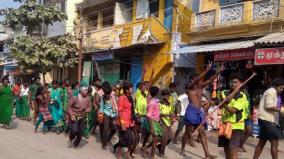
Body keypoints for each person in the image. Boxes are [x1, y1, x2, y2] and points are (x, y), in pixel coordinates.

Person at [180, 62, 223, 158]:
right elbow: (197, 79)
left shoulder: (200, 87)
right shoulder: (189, 87)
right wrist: (207, 70)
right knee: (187, 132)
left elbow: (210, 80)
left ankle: (207, 154)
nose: (201, 81)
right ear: (193, 80)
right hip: (191, 110)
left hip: (199, 112)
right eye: (199, 79)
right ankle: (183, 148)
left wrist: (218, 73)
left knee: (202, 133)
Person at [218, 72, 249, 159]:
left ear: (241, 83)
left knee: (232, 149)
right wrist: (225, 101)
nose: (233, 84)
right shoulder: (224, 92)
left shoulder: (242, 96)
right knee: (226, 150)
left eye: (236, 82)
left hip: (237, 126)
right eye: (231, 82)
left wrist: (224, 103)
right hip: (224, 124)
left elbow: (233, 111)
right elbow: (219, 106)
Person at [253, 78, 284, 159]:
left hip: (265, 119)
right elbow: (268, 106)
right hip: (266, 120)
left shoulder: (273, 92)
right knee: (274, 142)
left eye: (282, 88)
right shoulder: (271, 91)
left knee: (262, 142)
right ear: (275, 86)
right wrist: (279, 110)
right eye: (280, 88)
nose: (282, 90)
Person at [114, 81, 139, 159]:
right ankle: (119, 154)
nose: (132, 89)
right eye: (131, 88)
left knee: (133, 139)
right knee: (123, 138)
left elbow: (131, 111)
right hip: (122, 122)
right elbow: (120, 111)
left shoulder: (130, 97)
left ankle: (128, 153)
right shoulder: (122, 98)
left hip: (130, 121)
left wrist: (133, 120)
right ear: (127, 90)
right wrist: (123, 124)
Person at [67, 81, 92, 149]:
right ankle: (71, 138)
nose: (86, 91)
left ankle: (76, 144)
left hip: (82, 116)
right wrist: (71, 115)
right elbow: (69, 106)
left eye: (87, 90)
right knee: (74, 130)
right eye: (84, 90)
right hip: (74, 116)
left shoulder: (88, 98)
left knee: (81, 131)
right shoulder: (75, 97)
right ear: (80, 90)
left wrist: (87, 110)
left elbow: (90, 107)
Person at [99, 81, 117, 149]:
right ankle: (104, 144)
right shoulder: (103, 97)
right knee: (105, 129)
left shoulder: (114, 95)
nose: (107, 95)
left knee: (114, 128)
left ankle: (108, 138)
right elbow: (101, 108)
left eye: (108, 94)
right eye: (106, 94)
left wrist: (117, 115)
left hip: (114, 114)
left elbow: (117, 105)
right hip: (106, 113)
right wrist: (100, 117)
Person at [157, 89, 175, 157]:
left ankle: (158, 146)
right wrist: (168, 115)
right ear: (163, 96)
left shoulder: (169, 104)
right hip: (162, 122)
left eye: (169, 96)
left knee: (170, 138)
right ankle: (162, 152)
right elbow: (158, 113)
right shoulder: (159, 103)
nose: (168, 97)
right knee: (164, 138)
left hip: (168, 123)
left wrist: (172, 117)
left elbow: (170, 112)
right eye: (167, 96)